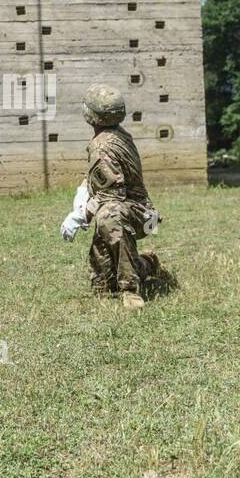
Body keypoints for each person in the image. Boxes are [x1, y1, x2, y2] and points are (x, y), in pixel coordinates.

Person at [60, 85, 170, 310]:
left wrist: (80, 215)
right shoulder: (116, 135)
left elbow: (111, 197)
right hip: (141, 216)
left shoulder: (102, 145)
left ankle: (130, 291)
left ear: (90, 115)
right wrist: (82, 194)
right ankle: (147, 263)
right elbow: (96, 177)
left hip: (138, 216)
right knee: (102, 285)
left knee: (108, 214)